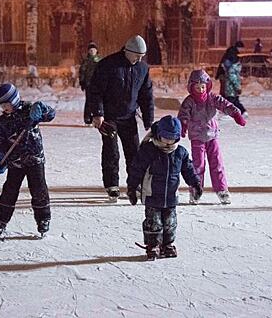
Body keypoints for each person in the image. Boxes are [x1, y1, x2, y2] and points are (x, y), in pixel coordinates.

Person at [88, 34, 154, 201]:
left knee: (134, 151)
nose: (139, 60)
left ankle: (135, 183)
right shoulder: (108, 65)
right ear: (127, 51)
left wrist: (148, 118)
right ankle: (112, 185)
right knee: (111, 150)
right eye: (137, 56)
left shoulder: (142, 69)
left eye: (142, 57)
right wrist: (97, 113)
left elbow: (146, 95)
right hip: (109, 117)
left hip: (129, 116)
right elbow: (95, 91)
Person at [126, 115, 201, 260]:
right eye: (165, 137)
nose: (168, 141)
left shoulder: (180, 153)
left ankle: (168, 244)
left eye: (172, 138)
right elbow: (136, 169)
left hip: (171, 196)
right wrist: (132, 187)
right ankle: (153, 245)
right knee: (153, 222)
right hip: (152, 195)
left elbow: (188, 170)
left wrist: (195, 183)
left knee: (170, 222)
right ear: (159, 134)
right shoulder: (149, 150)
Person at [0, 82, 56, 237]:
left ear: (14, 100)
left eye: (7, 104)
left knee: (39, 190)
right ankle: (0, 220)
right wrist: (0, 156)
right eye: (1, 105)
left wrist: (41, 107)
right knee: (9, 191)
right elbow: (0, 141)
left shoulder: (29, 110)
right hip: (15, 161)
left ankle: (43, 219)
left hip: (34, 159)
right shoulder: (1, 121)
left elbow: (51, 114)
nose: (4, 108)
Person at [178, 69, 246, 205]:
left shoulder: (212, 98)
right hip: (197, 137)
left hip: (212, 136)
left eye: (203, 87)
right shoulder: (189, 101)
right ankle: (196, 190)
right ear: (192, 88)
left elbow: (225, 104)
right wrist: (183, 126)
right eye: (197, 87)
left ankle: (222, 190)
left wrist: (236, 114)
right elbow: (183, 115)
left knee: (217, 163)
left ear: (207, 86)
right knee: (198, 165)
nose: (201, 90)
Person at [79, 41, 101, 124]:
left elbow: (103, 72)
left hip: (98, 84)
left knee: (98, 101)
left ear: (96, 51)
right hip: (89, 84)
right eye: (90, 50)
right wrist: (82, 81)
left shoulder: (100, 60)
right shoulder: (86, 61)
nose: (92, 51)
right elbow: (82, 72)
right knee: (89, 101)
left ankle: (97, 117)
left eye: (93, 50)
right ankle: (87, 118)